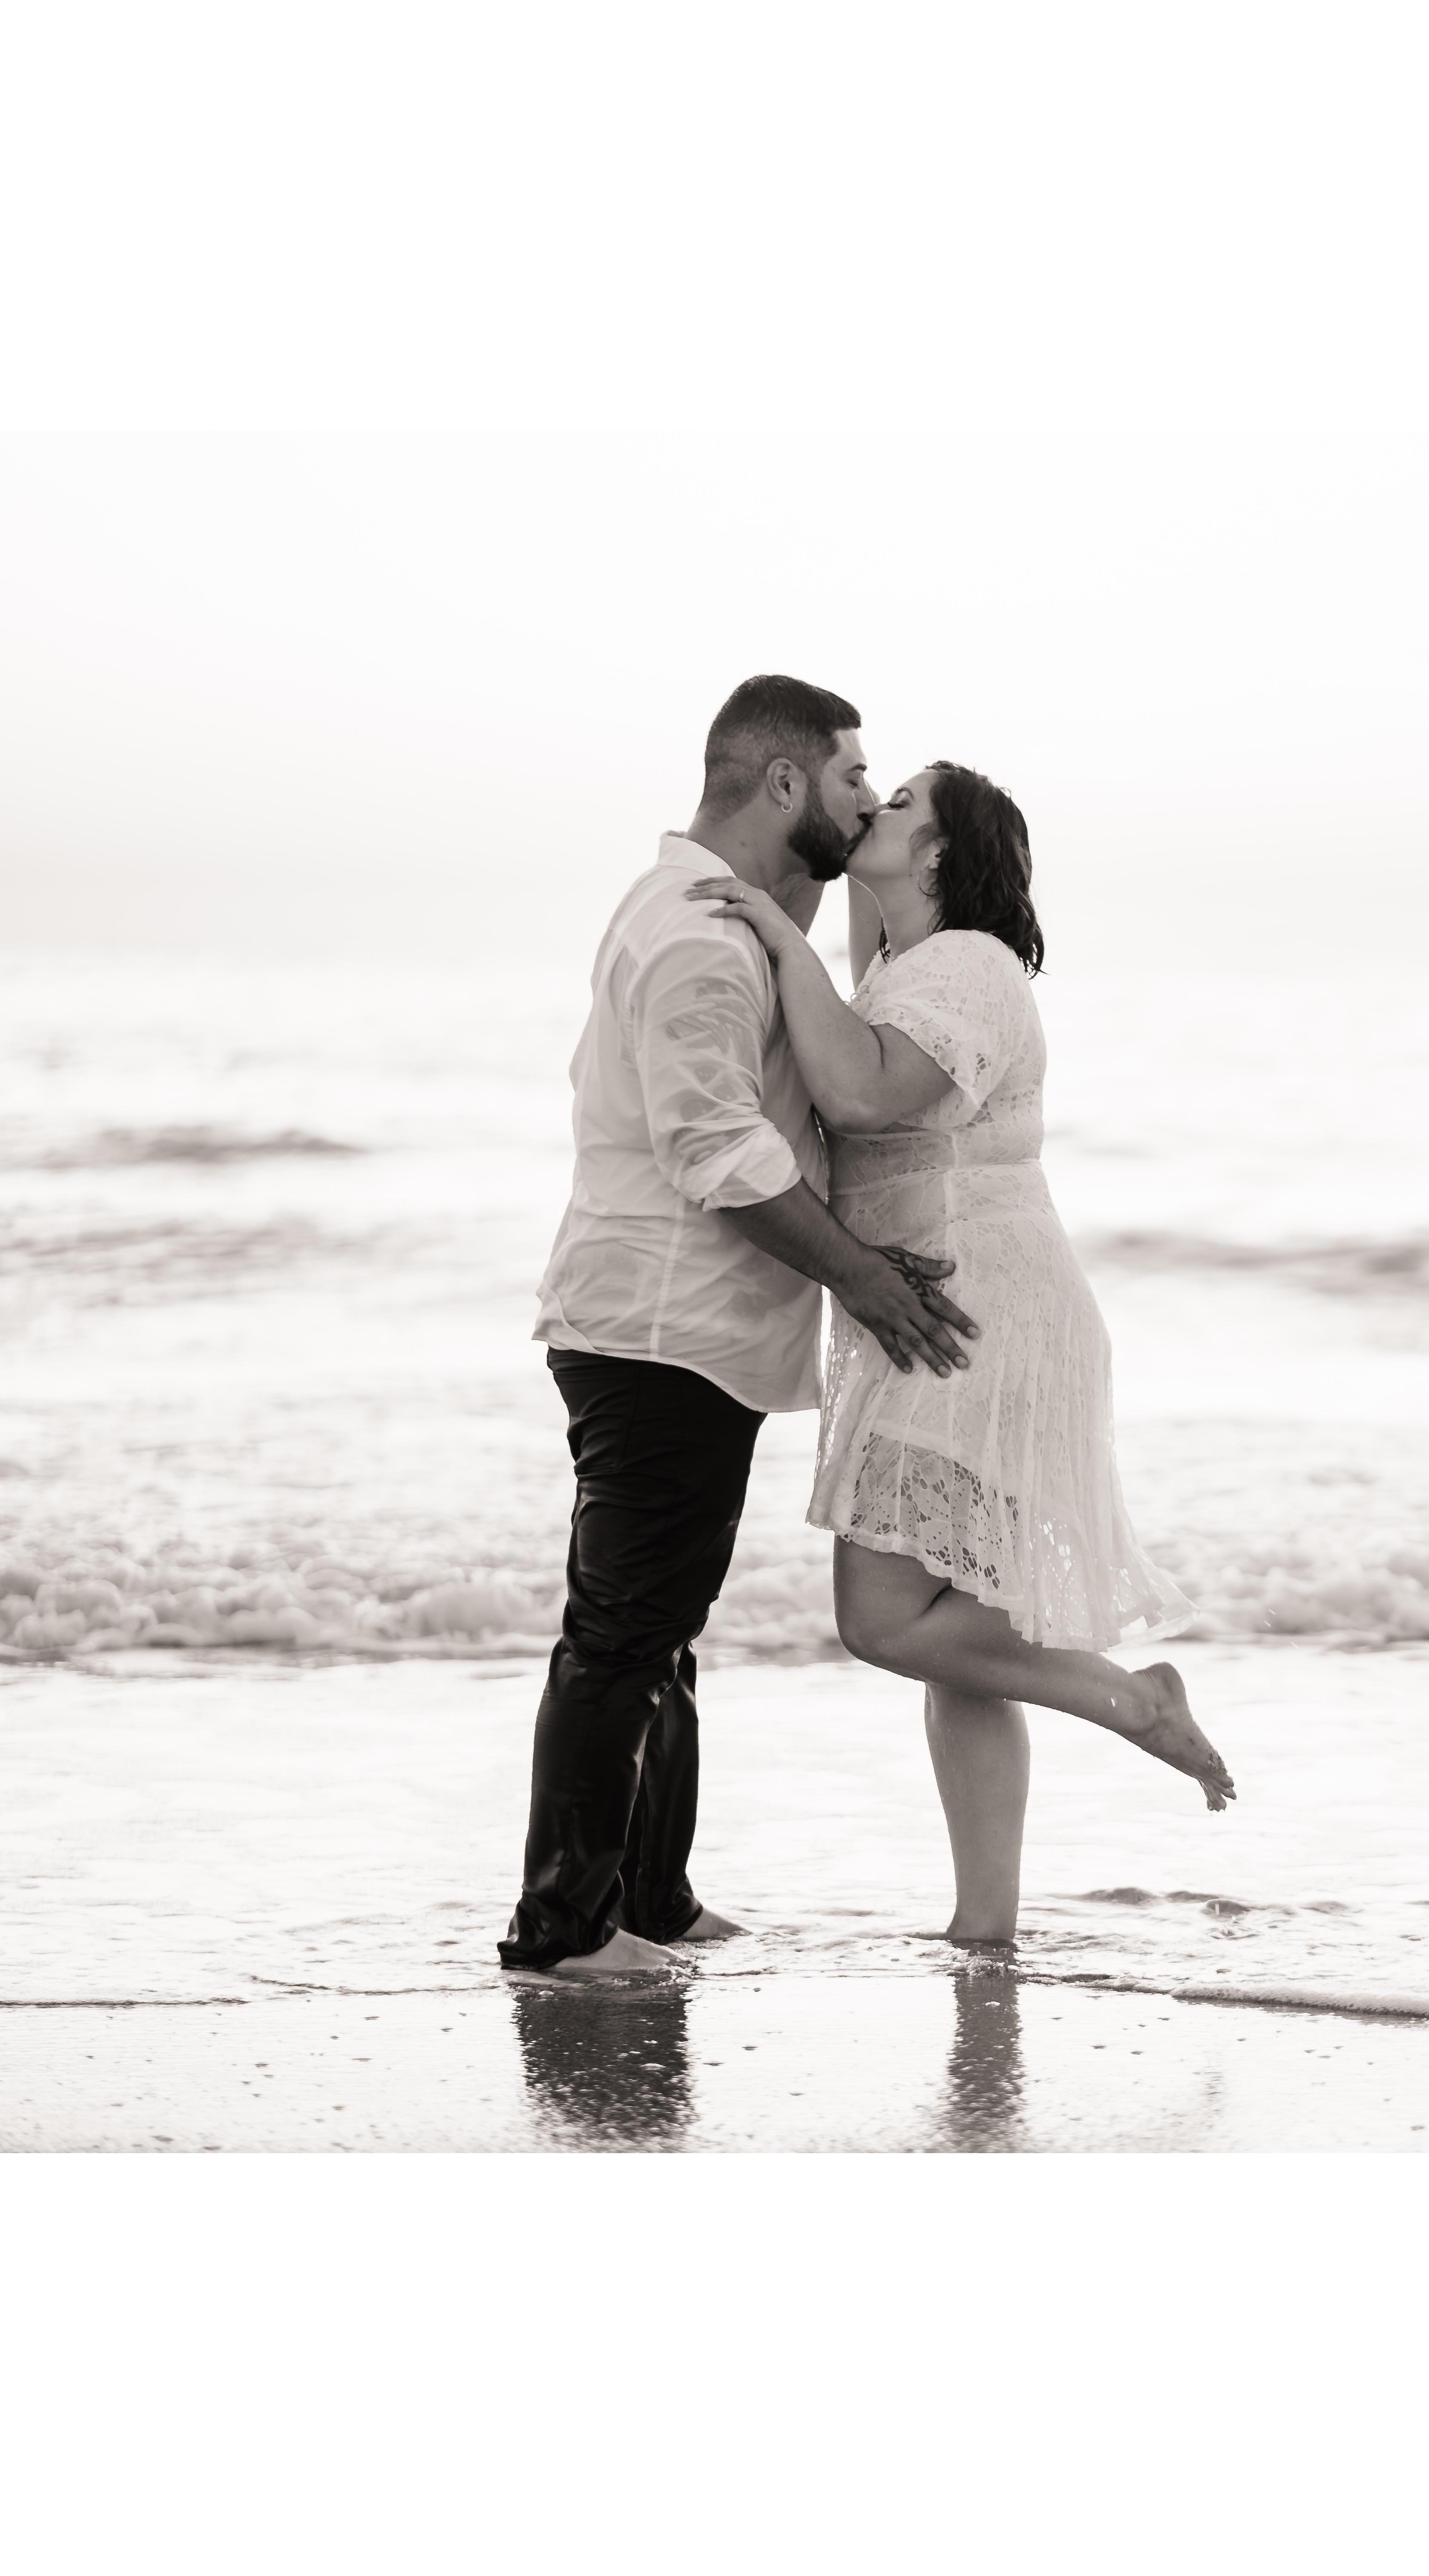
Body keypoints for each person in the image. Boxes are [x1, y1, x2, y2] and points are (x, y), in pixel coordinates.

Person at [693, 760, 1234, 1949]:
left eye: (899, 805)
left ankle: (1134, 1700)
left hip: (979, 1321)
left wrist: (776, 934)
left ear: (941, 854)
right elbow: (857, 932)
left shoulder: (973, 968)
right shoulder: (907, 963)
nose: (874, 810)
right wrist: (827, 840)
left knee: (885, 1618)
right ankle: (985, 1925)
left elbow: (863, 1093)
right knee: (962, 1649)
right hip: (949, 1313)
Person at [497, 677, 979, 1977]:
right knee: (622, 1631)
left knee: (664, 1627)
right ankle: (562, 1928)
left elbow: (830, 983)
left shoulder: (736, 915)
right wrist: (864, 1278)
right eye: (853, 778)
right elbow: (718, 1151)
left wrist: (839, 873)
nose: (870, 800)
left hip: (686, 1330)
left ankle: (651, 1899)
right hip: (656, 1328)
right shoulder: (701, 938)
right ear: (781, 782)